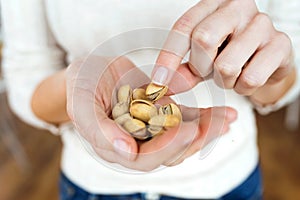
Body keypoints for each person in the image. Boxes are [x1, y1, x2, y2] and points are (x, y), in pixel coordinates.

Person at [1, 0, 300, 199]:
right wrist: (78, 85)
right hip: (92, 186)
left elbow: (286, 76)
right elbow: (27, 78)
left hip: (230, 180)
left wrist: (269, 70)